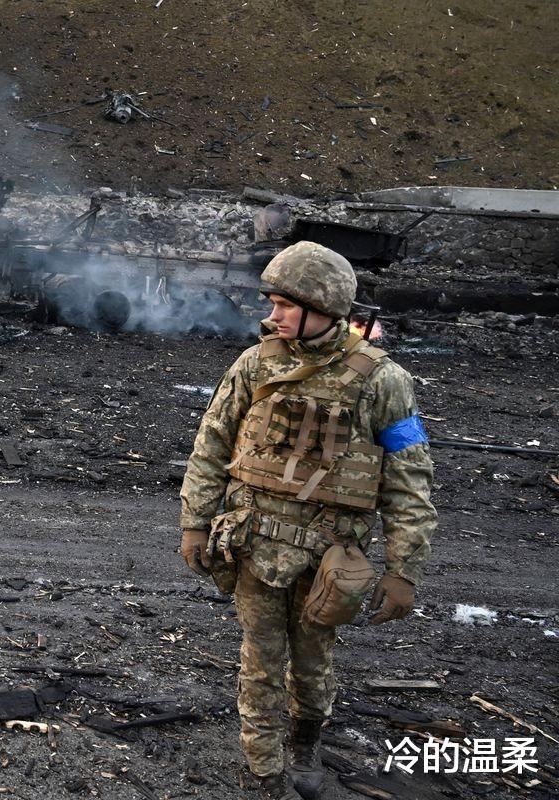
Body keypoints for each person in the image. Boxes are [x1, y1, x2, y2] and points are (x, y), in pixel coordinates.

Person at [178, 241, 436, 800]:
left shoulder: (383, 381)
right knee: (261, 660)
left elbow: (409, 479)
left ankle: (304, 742)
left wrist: (403, 569)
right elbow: (212, 443)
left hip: (331, 555)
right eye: (271, 303)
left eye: (283, 305)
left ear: (324, 308)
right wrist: (195, 521)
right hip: (254, 542)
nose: (271, 316)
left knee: (314, 659)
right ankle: (265, 770)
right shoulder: (255, 364)